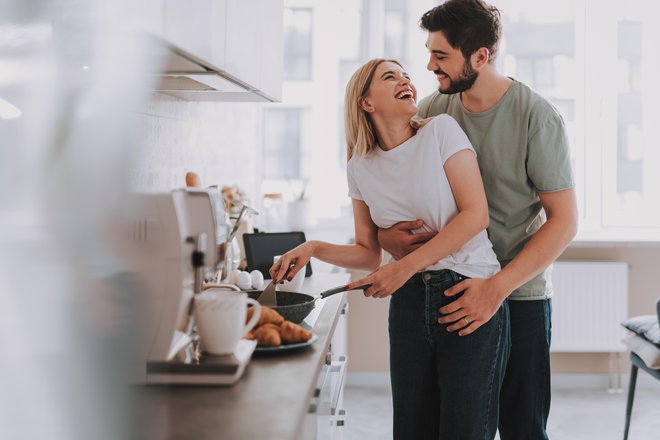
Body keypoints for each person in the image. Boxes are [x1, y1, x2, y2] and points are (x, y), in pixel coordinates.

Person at [270, 58, 508, 440]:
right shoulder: (359, 166)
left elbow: (475, 215)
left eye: (406, 76)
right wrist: (312, 247)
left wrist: (403, 267)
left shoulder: (441, 132)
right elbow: (367, 252)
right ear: (366, 102)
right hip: (410, 305)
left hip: (468, 292)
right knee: (412, 430)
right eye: (390, 77)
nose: (406, 80)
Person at [377, 1, 579, 439]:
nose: (429, 65)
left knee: (523, 428)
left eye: (441, 56)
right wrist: (382, 234)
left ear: (481, 56)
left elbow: (564, 221)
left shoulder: (536, 117)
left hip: (519, 295)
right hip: (451, 291)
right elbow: (394, 182)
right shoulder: (432, 111)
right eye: (429, 53)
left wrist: (496, 288)